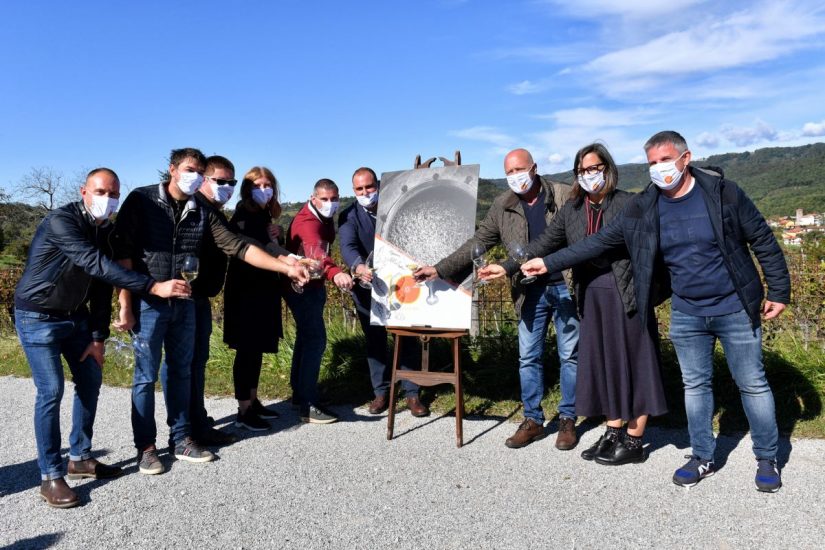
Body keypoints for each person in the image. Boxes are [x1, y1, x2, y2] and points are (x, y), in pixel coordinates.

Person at [508, 131, 790, 492]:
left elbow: (763, 239)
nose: (659, 169)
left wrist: (779, 290)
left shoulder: (723, 193)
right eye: (652, 163)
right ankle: (702, 455)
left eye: (665, 160)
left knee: (752, 384)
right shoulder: (646, 205)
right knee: (696, 386)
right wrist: (546, 263)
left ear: (685, 158)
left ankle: (767, 458)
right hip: (687, 310)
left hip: (734, 305)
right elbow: (598, 242)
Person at [113, 148, 307, 475]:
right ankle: (145, 447)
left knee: (182, 371)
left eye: (200, 172)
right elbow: (124, 252)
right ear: (172, 169)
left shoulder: (203, 211)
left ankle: (183, 437)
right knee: (145, 377)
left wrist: (284, 267)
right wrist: (126, 302)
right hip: (150, 302)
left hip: (187, 301)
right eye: (190, 170)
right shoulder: (142, 200)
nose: (195, 176)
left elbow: (238, 246)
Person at [14, 168, 188, 508]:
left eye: (113, 194)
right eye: (100, 192)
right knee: (51, 390)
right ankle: (50, 475)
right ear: (83, 192)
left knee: (90, 380)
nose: (107, 200)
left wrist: (97, 336)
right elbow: (93, 264)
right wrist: (152, 286)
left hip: (75, 319)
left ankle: (79, 457)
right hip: (37, 316)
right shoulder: (61, 222)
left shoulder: (103, 230)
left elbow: (99, 287)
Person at [484, 144, 668, 465]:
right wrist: (509, 266)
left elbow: (592, 246)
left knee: (634, 365)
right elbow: (544, 242)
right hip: (592, 295)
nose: (588, 175)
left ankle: (635, 440)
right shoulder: (573, 208)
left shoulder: (627, 203)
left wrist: (547, 263)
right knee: (606, 364)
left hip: (625, 292)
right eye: (582, 171)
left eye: (594, 168)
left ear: (607, 169)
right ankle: (613, 432)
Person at [414, 148, 580, 450]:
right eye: (509, 172)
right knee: (528, 357)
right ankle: (533, 419)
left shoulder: (564, 195)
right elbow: (478, 241)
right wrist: (439, 269)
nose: (515, 177)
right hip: (528, 289)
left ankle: (568, 419)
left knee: (570, 355)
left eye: (520, 169)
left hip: (565, 283)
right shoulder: (502, 206)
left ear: (534, 168)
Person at [337, 167, 428, 416]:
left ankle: (412, 393)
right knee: (374, 341)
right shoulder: (348, 216)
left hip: (402, 284)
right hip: (367, 286)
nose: (366, 192)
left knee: (407, 336)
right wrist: (358, 265)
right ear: (354, 191)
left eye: (369, 187)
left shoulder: (397, 207)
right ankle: (381, 392)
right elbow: (347, 245)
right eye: (360, 189)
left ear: (378, 185)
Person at [224, 166, 293, 431]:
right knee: (246, 350)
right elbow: (255, 248)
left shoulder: (263, 213)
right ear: (247, 188)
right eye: (258, 185)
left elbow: (269, 244)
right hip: (246, 289)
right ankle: (243, 409)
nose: (264, 189)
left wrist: (277, 235)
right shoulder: (242, 214)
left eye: (268, 185)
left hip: (263, 287)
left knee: (256, 349)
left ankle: (252, 400)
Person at [284, 178, 354, 424]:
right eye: (324, 199)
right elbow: (319, 256)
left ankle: (299, 393)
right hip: (302, 287)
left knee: (306, 337)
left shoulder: (321, 217)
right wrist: (337, 274)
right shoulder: (308, 223)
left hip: (309, 284)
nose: (330, 204)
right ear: (313, 198)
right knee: (315, 340)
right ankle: (309, 405)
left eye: (334, 199)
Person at [185, 155, 242, 446]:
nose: (228, 187)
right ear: (204, 180)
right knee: (188, 364)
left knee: (198, 362)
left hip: (202, 297)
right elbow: (235, 246)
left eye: (232, 182)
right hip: (186, 298)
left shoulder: (215, 211)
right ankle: (188, 428)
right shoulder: (197, 209)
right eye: (221, 181)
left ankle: (197, 419)